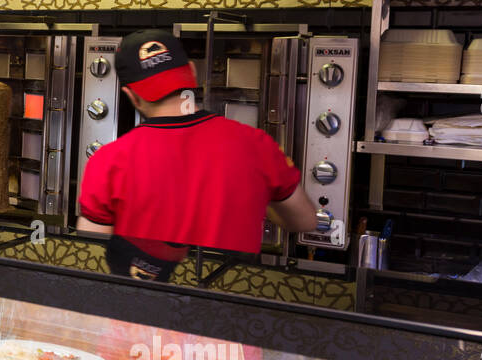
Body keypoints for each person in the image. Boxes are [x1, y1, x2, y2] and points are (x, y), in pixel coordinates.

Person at [76, 30, 317, 252]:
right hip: (233, 292)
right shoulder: (256, 144)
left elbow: (92, 256)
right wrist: (252, 196)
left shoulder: (107, 162)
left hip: (146, 296)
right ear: (192, 72)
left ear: (131, 95)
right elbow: (305, 220)